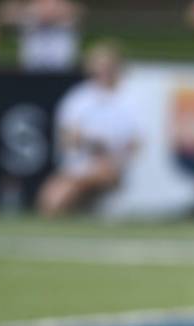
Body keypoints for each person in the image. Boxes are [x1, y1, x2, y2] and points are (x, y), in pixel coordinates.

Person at [37, 41, 138, 217]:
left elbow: (134, 143)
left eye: (107, 67)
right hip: (78, 164)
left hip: (112, 166)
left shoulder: (129, 99)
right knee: (51, 199)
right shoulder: (78, 98)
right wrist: (92, 144)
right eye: (99, 67)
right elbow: (67, 137)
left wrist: (111, 155)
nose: (103, 72)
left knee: (65, 192)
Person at [0, 0, 82, 72]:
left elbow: (78, 14)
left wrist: (56, 14)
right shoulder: (27, 10)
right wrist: (31, 13)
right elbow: (5, 15)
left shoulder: (69, 10)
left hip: (62, 67)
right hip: (32, 66)